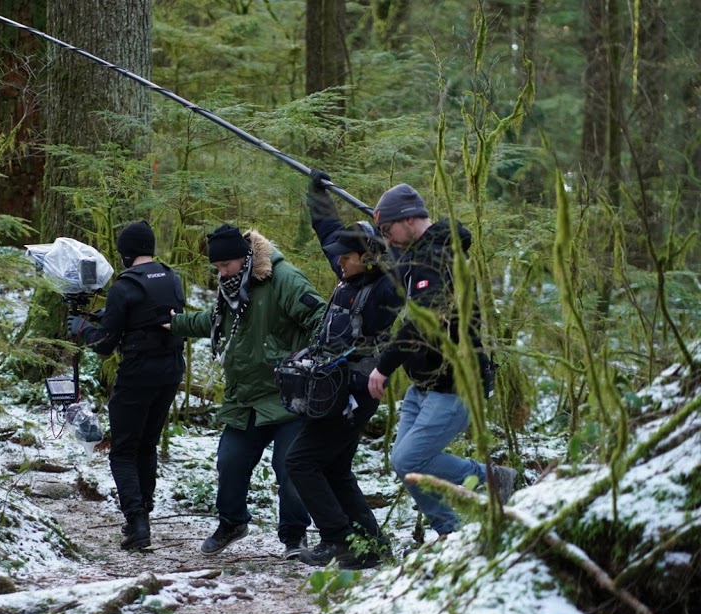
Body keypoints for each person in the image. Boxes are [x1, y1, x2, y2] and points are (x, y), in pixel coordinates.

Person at [366, 183, 518, 540]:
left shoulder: (437, 258)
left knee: (409, 461)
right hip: (426, 385)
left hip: (455, 385)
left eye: (388, 231)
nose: (388, 240)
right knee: (404, 464)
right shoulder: (423, 253)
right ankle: (452, 532)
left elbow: (423, 320)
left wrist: (384, 366)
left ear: (408, 220)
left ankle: (493, 479)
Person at [168, 223, 324, 559]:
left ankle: (295, 537)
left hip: (289, 396)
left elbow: (322, 320)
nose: (221, 274)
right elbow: (215, 322)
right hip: (247, 397)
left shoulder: (284, 279)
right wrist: (175, 323)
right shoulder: (232, 288)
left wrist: (298, 361)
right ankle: (232, 523)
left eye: (225, 266)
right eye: (217, 268)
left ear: (245, 257)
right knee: (230, 461)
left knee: (291, 468)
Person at [284, 169, 403, 570]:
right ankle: (372, 546)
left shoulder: (387, 288)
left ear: (368, 257)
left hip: (354, 391)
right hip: (335, 388)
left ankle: (336, 538)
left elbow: (413, 264)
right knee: (334, 466)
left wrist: (397, 233)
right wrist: (317, 194)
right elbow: (328, 231)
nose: (339, 261)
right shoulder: (348, 272)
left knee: (300, 461)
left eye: (347, 257)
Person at [67, 220, 185, 551]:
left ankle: (137, 524)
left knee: (123, 451)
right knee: (147, 446)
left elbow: (105, 344)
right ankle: (142, 514)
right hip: (171, 371)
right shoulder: (171, 277)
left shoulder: (123, 286)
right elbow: (154, 317)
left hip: (137, 375)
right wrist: (110, 316)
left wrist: (81, 327)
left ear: (126, 254)